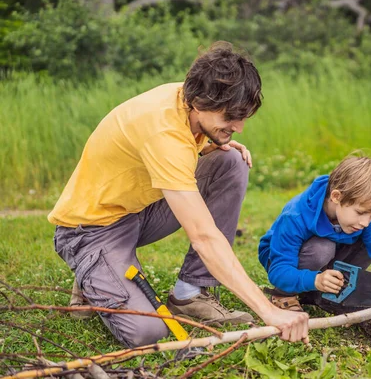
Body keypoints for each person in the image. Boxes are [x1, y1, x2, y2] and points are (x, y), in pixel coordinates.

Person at [49, 42, 309, 348]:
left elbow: (179, 151)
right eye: (231, 117)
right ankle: (93, 274)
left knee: (229, 162)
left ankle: (190, 293)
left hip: (138, 212)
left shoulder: (187, 100)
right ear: (200, 101)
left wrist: (214, 141)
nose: (238, 127)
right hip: (91, 231)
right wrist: (267, 311)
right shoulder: (162, 129)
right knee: (147, 333)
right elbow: (204, 236)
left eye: (243, 117)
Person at [258, 154, 371, 319]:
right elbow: (279, 270)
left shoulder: (361, 221)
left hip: (326, 259)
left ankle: (330, 288)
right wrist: (315, 279)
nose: (365, 222)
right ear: (336, 197)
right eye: (361, 213)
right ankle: (284, 295)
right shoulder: (296, 216)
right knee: (321, 249)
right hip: (282, 262)